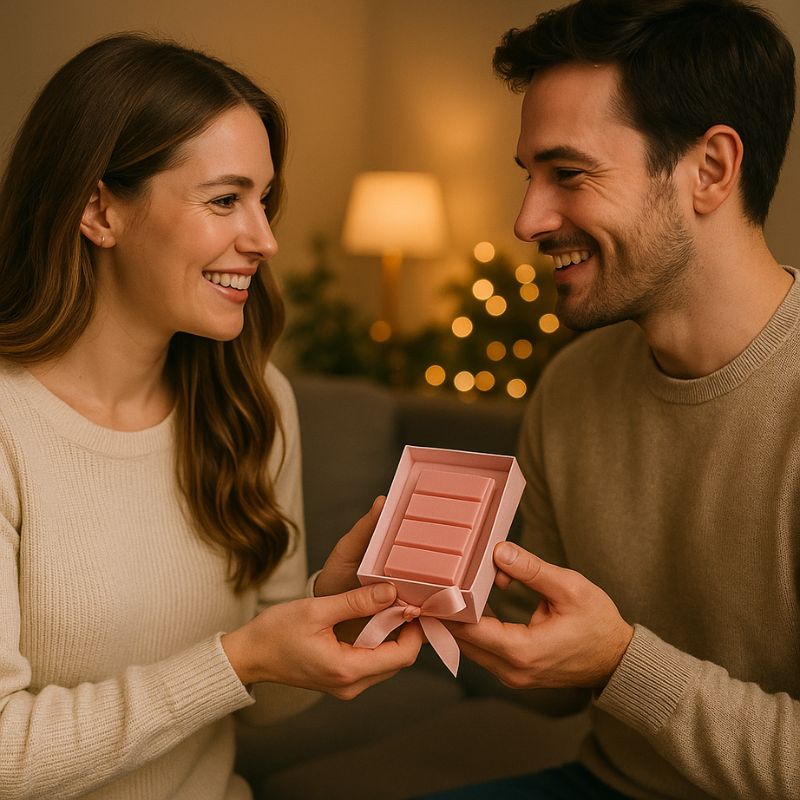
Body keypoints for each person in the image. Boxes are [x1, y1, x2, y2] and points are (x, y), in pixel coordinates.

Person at [0, 34, 422, 800]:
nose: (263, 239)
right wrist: (241, 656)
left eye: (264, 200)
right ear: (100, 210)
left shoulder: (254, 403)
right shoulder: (9, 431)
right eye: (225, 199)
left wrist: (326, 613)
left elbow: (258, 709)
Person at [436, 1, 799, 798]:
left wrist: (620, 659)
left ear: (711, 169)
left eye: (568, 174)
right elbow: (562, 689)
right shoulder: (573, 385)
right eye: (529, 177)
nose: (528, 219)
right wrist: (477, 625)